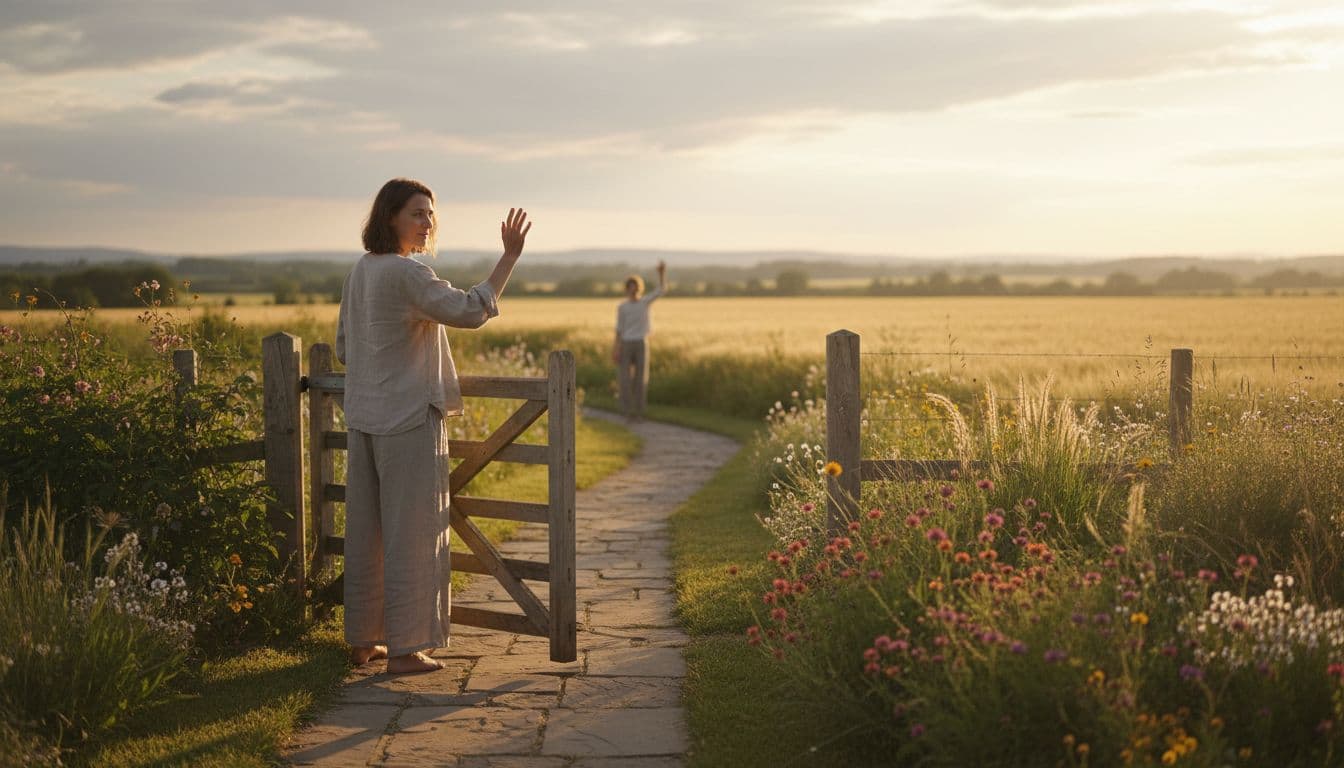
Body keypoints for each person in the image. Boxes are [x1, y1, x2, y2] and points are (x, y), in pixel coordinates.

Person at [335, 177, 531, 674]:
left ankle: (363, 641)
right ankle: (405, 650)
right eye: (417, 213)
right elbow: (469, 310)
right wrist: (508, 257)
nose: (428, 222)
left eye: (430, 214)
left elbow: (343, 347)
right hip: (407, 422)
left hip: (364, 419)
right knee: (414, 534)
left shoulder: (361, 271)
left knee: (367, 533)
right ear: (390, 218)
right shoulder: (408, 273)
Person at [612, 260, 666, 420]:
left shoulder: (645, 302)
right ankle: (627, 411)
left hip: (641, 343)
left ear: (639, 288)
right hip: (626, 344)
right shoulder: (622, 307)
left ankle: (639, 412)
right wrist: (615, 349)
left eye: (635, 286)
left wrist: (661, 274)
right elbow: (619, 330)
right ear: (627, 289)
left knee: (641, 379)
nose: (633, 289)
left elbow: (661, 290)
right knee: (625, 380)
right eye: (630, 287)